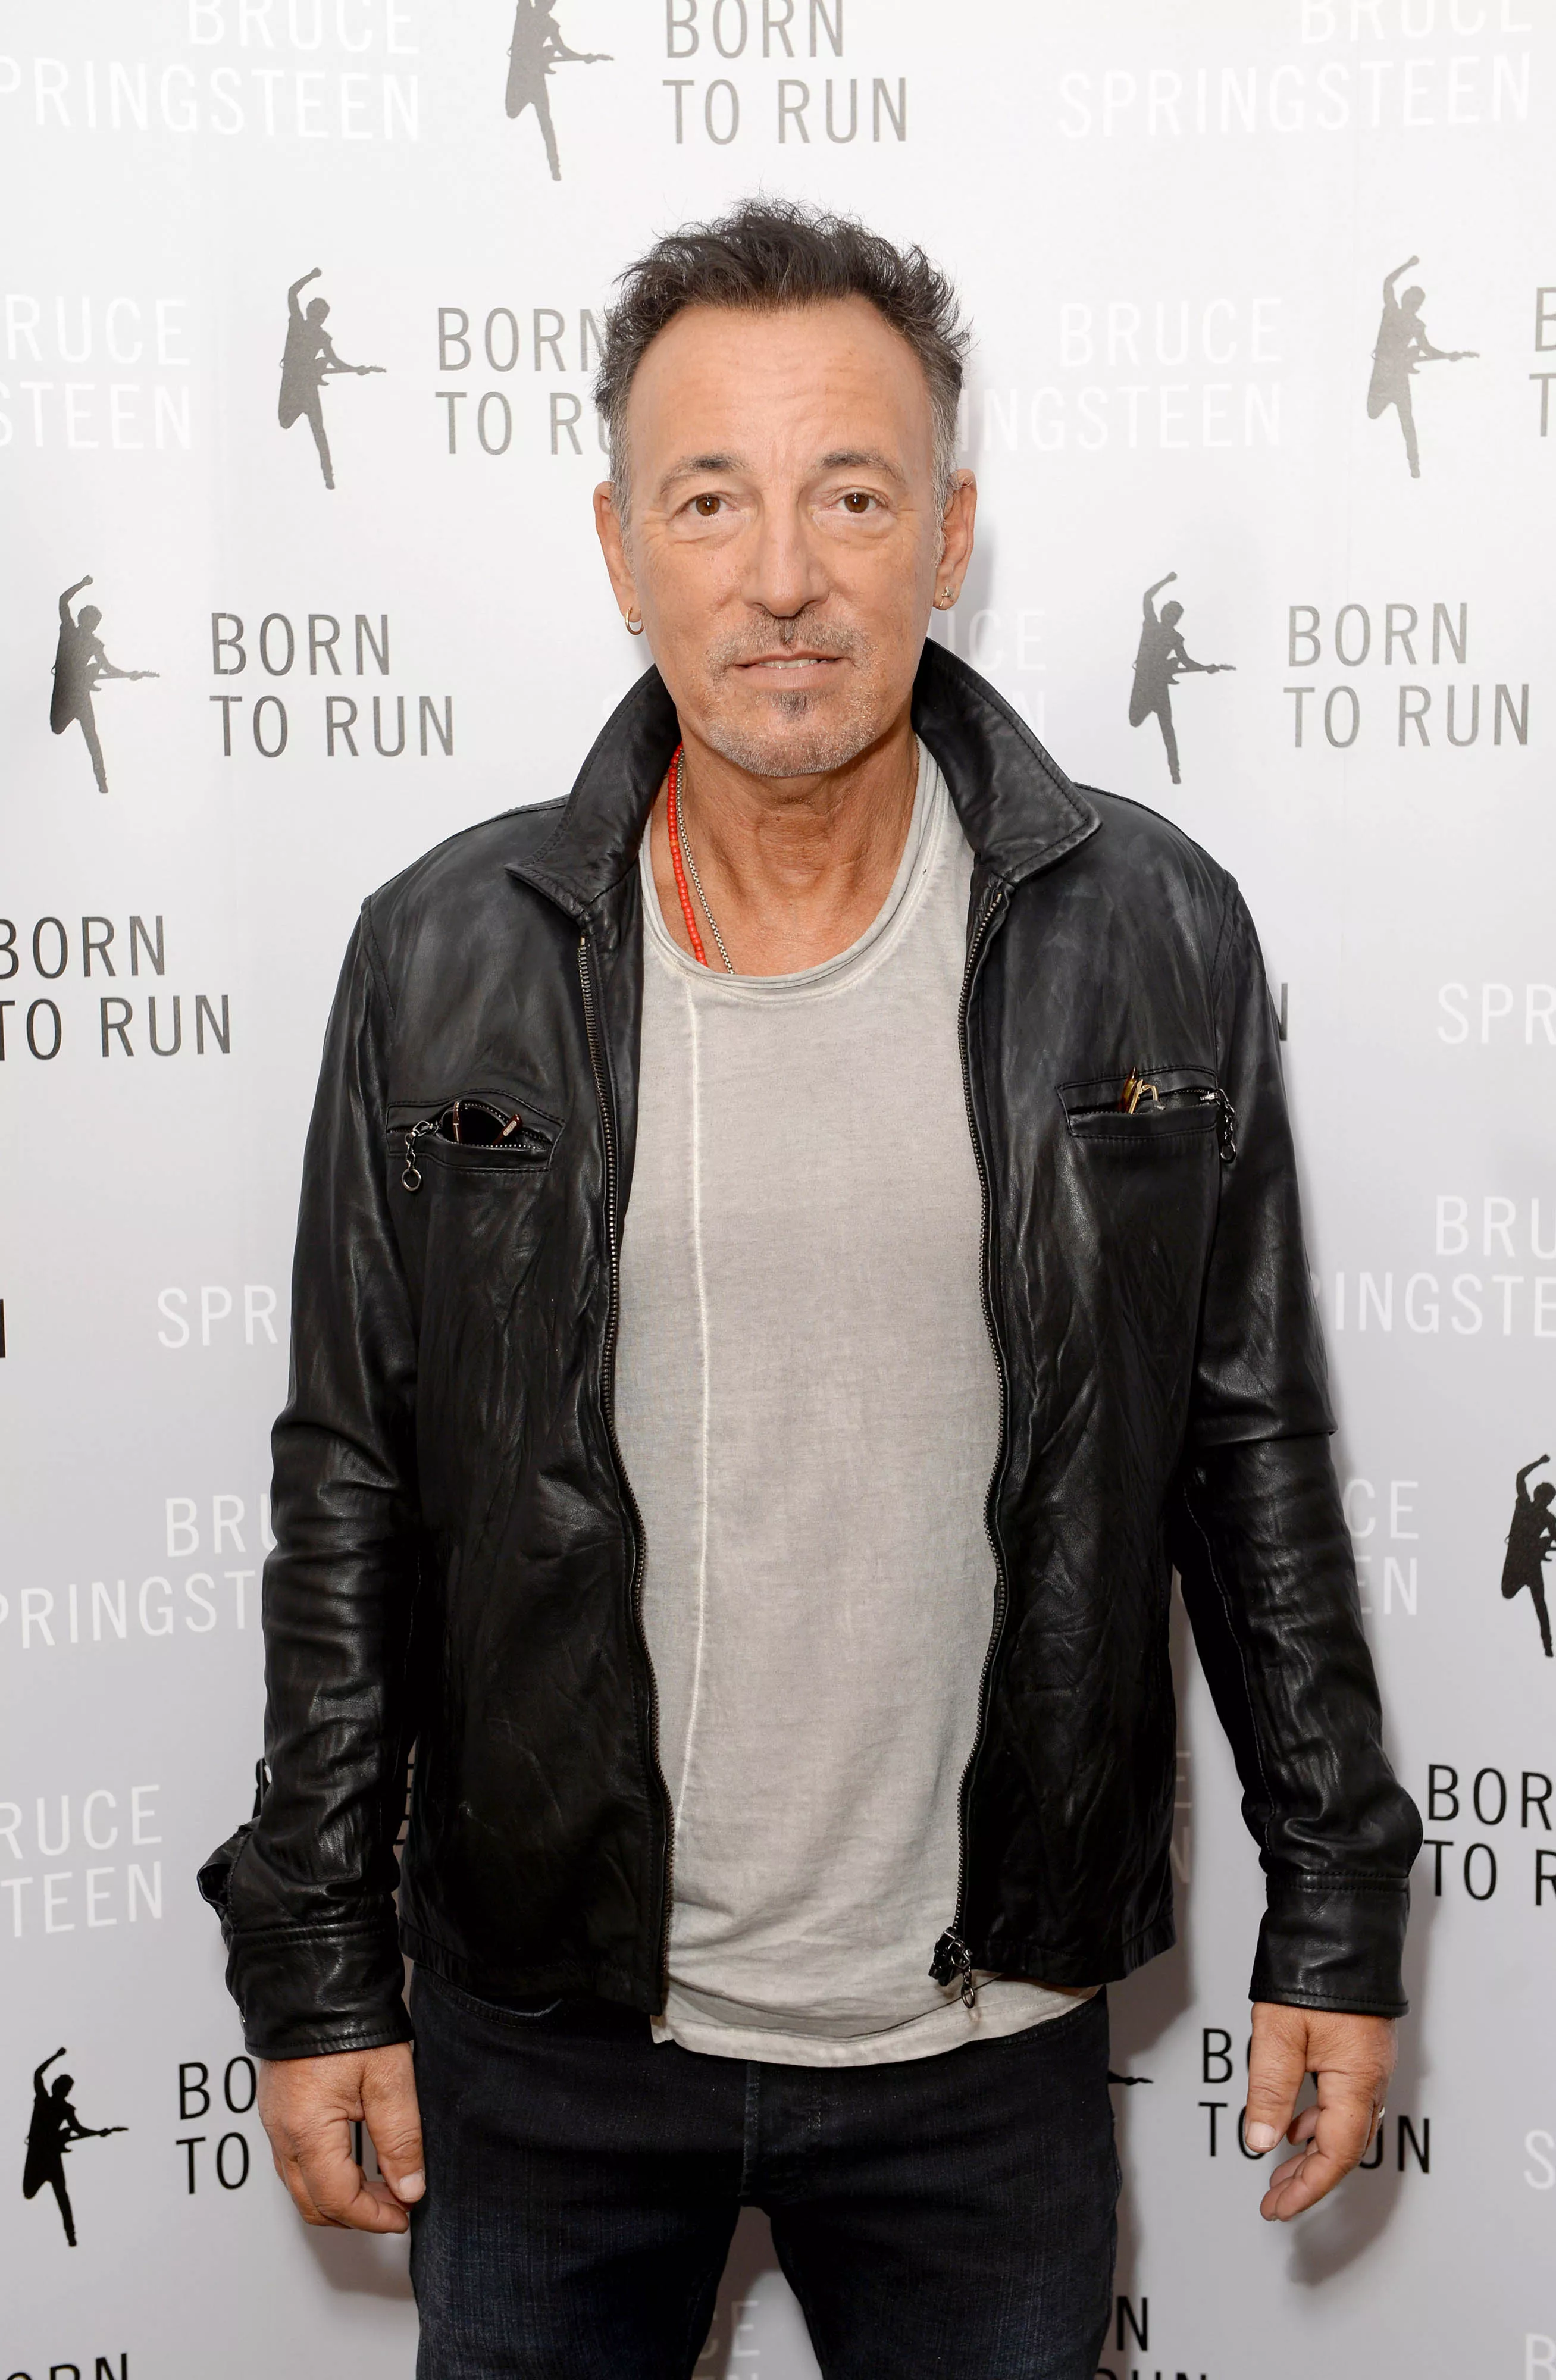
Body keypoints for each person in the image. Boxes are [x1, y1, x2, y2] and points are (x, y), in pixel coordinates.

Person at [202, 201, 1421, 2380]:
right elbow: (353, 1486)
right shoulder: (443, 955)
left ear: (946, 531)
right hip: (547, 2041)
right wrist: (313, 1962)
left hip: (985, 2050)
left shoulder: (1148, 933)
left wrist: (1330, 1897)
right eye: (709, 501)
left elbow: (1244, 1447)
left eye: (850, 495)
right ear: (619, 547)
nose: (782, 574)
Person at [1366, 256, 1477, 479]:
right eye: (1411, 299)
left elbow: (1428, 350)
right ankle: (1413, 463)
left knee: (1407, 420)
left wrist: (1448, 355)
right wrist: (1408, 265)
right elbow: (1388, 283)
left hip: (1393, 375)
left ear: (1416, 305)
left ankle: (1414, 464)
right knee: (1377, 414)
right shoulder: (1393, 312)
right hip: (1386, 374)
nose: (1411, 303)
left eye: (1414, 302)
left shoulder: (1411, 322)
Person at [278, 268, 384, 490]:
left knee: (319, 430)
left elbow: (336, 362)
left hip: (306, 386)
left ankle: (328, 474)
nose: (320, 319)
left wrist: (357, 369)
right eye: (319, 315)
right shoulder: (298, 324)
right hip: (293, 384)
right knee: (287, 423)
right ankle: (328, 474)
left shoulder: (320, 336)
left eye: (321, 316)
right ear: (313, 314)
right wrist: (311, 276)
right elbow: (291, 292)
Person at [50, 576, 156, 794]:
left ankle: (101, 779)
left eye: (94, 623)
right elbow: (63, 600)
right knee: (57, 728)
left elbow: (108, 668)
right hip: (64, 693)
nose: (92, 626)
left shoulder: (94, 644)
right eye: (90, 621)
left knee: (92, 735)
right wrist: (82, 584)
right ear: (82, 619)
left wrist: (130, 674)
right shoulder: (69, 630)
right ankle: (88, 677)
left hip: (80, 693)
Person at [1127, 571, 1233, 787]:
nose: (1171, 616)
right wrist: (1166, 581)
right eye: (1170, 612)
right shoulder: (1151, 624)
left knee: (1168, 729)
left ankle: (1175, 771)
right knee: (1134, 721)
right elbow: (1148, 596)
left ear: (1177, 619)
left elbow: (1187, 662)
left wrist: (1207, 668)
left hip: (1159, 687)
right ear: (1164, 612)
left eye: (1175, 615)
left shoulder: (1175, 638)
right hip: (1143, 683)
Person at [23, 2049, 126, 2246]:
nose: (64, 2091)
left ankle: (70, 2233)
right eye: (63, 2087)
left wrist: (98, 2132)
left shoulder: (63, 2108)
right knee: (33, 2193)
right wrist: (56, 2056)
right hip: (39, 2154)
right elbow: (38, 2074)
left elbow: (78, 2129)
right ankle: (70, 2233)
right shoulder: (44, 2099)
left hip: (48, 2155)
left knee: (61, 2195)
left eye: (66, 2089)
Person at [504, 0, 609, 181]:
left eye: (551, 4)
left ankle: (555, 167)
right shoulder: (525, 12)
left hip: (535, 78)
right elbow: (562, 50)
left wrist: (584, 57)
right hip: (520, 78)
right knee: (512, 112)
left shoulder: (549, 24)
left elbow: (563, 50)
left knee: (546, 122)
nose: (549, 6)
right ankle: (555, 167)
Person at [1501, 1454, 1556, 1658]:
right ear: (1537, 1494)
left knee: (1540, 1603)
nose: (1545, 1501)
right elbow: (1520, 1476)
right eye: (1543, 1496)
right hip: (1516, 1558)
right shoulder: (1524, 1502)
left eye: (1548, 1500)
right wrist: (1539, 1463)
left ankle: (1548, 1644)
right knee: (1507, 1592)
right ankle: (1547, 1644)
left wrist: (1545, 1543)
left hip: (1530, 1562)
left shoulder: (1548, 1518)